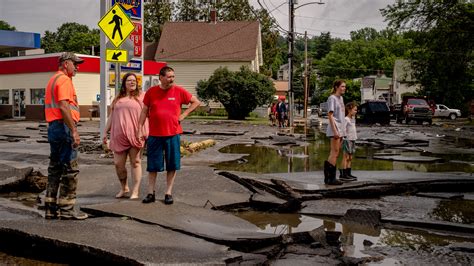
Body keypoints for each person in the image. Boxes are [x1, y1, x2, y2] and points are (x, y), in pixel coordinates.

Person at [137, 66, 201, 205]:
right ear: (161, 77)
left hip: (172, 134)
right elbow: (144, 111)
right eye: (169, 76)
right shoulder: (151, 92)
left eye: (173, 76)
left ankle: (168, 193)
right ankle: (150, 193)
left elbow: (196, 102)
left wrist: (184, 114)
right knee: (152, 165)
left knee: (172, 164)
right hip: (154, 134)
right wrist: (139, 128)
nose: (172, 79)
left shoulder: (178, 91)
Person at [43, 52, 88, 220]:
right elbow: (63, 106)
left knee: (55, 167)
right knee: (70, 168)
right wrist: (74, 131)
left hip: (54, 127)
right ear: (65, 63)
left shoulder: (53, 79)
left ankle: (50, 208)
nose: (77, 67)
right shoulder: (64, 80)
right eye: (75, 64)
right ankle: (67, 209)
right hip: (64, 127)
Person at [103, 73, 148, 199]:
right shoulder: (118, 98)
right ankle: (124, 188)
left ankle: (135, 191)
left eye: (134, 80)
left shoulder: (142, 96)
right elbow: (111, 116)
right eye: (129, 80)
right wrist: (105, 132)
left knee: (136, 162)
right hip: (118, 135)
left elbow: (148, 113)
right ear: (124, 83)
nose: (132, 82)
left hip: (136, 134)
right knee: (118, 164)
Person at [323, 80, 346, 186]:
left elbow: (341, 116)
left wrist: (343, 131)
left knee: (335, 153)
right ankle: (331, 178)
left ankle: (328, 177)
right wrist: (335, 130)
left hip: (341, 129)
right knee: (334, 153)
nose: (344, 88)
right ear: (336, 87)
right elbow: (330, 115)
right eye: (342, 86)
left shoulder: (341, 98)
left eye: (345, 86)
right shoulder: (332, 98)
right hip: (335, 129)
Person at [339, 102, 358, 182]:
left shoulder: (353, 119)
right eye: (354, 110)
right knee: (345, 157)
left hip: (353, 139)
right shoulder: (346, 119)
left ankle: (348, 173)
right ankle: (343, 173)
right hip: (347, 140)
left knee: (350, 157)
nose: (356, 112)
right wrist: (342, 140)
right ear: (349, 110)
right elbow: (342, 130)